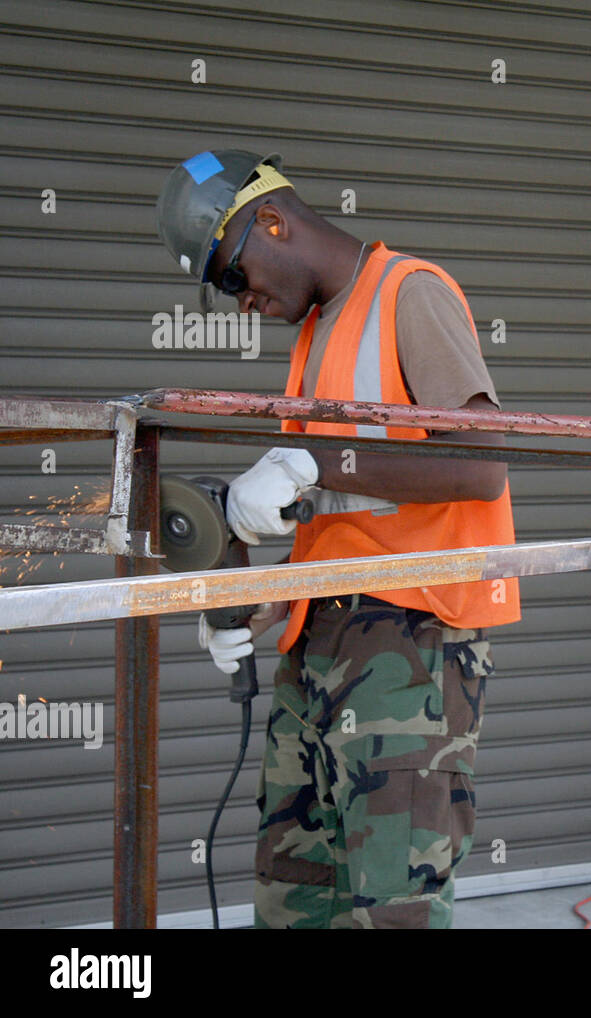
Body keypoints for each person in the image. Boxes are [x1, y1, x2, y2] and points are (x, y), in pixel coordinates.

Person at [155, 150, 521, 928]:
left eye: (232, 274)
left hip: (410, 643)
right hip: (318, 642)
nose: (241, 301)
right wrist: (261, 603)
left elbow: (484, 464)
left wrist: (306, 459)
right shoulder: (317, 334)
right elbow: (344, 521)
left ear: (274, 221)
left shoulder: (408, 293)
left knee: (392, 904)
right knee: (297, 897)